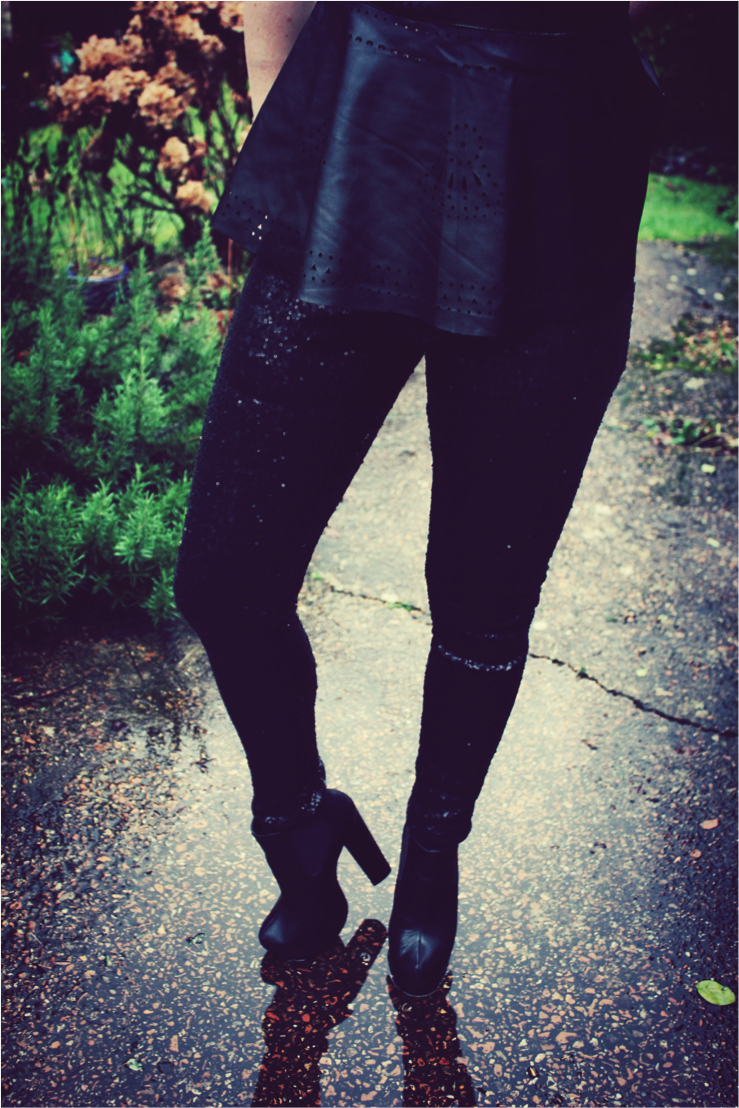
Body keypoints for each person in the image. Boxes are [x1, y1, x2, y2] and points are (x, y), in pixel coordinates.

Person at [174, 0, 663, 997]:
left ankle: (432, 848)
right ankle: (296, 822)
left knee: (485, 595)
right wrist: (280, 100)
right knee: (226, 576)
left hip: (557, 149)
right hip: (361, 114)